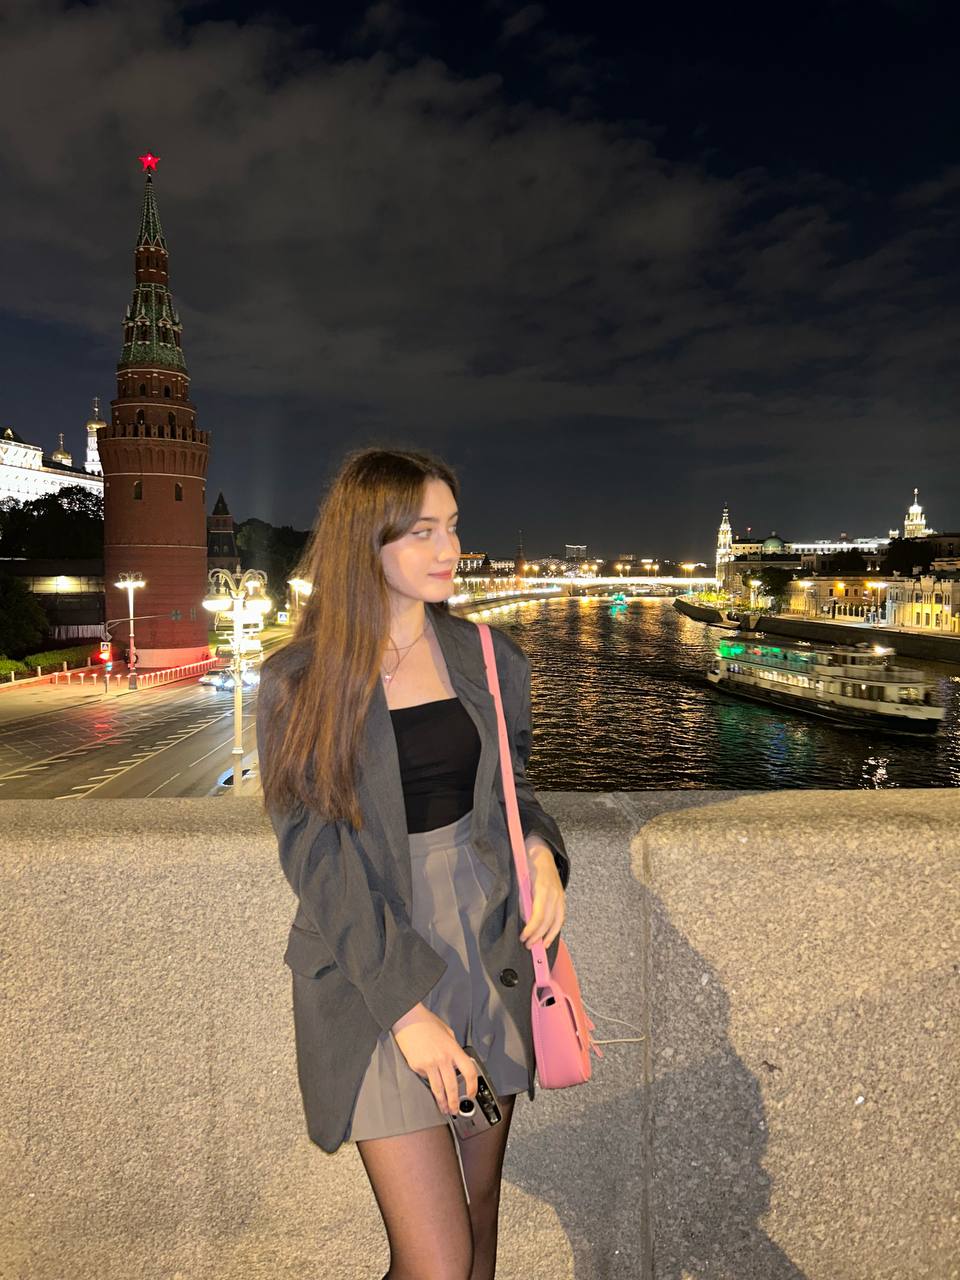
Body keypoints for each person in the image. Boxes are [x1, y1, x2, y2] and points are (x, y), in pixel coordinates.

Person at [256, 446, 571, 1279]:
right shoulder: (300, 680)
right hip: (373, 962)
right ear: (368, 540)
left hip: (488, 946)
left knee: (479, 1220)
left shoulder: (487, 656)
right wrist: (407, 1012)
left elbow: (514, 791)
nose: (450, 549)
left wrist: (540, 850)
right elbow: (317, 858)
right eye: (423, 531)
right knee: (436, 1258)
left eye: (453, 527)